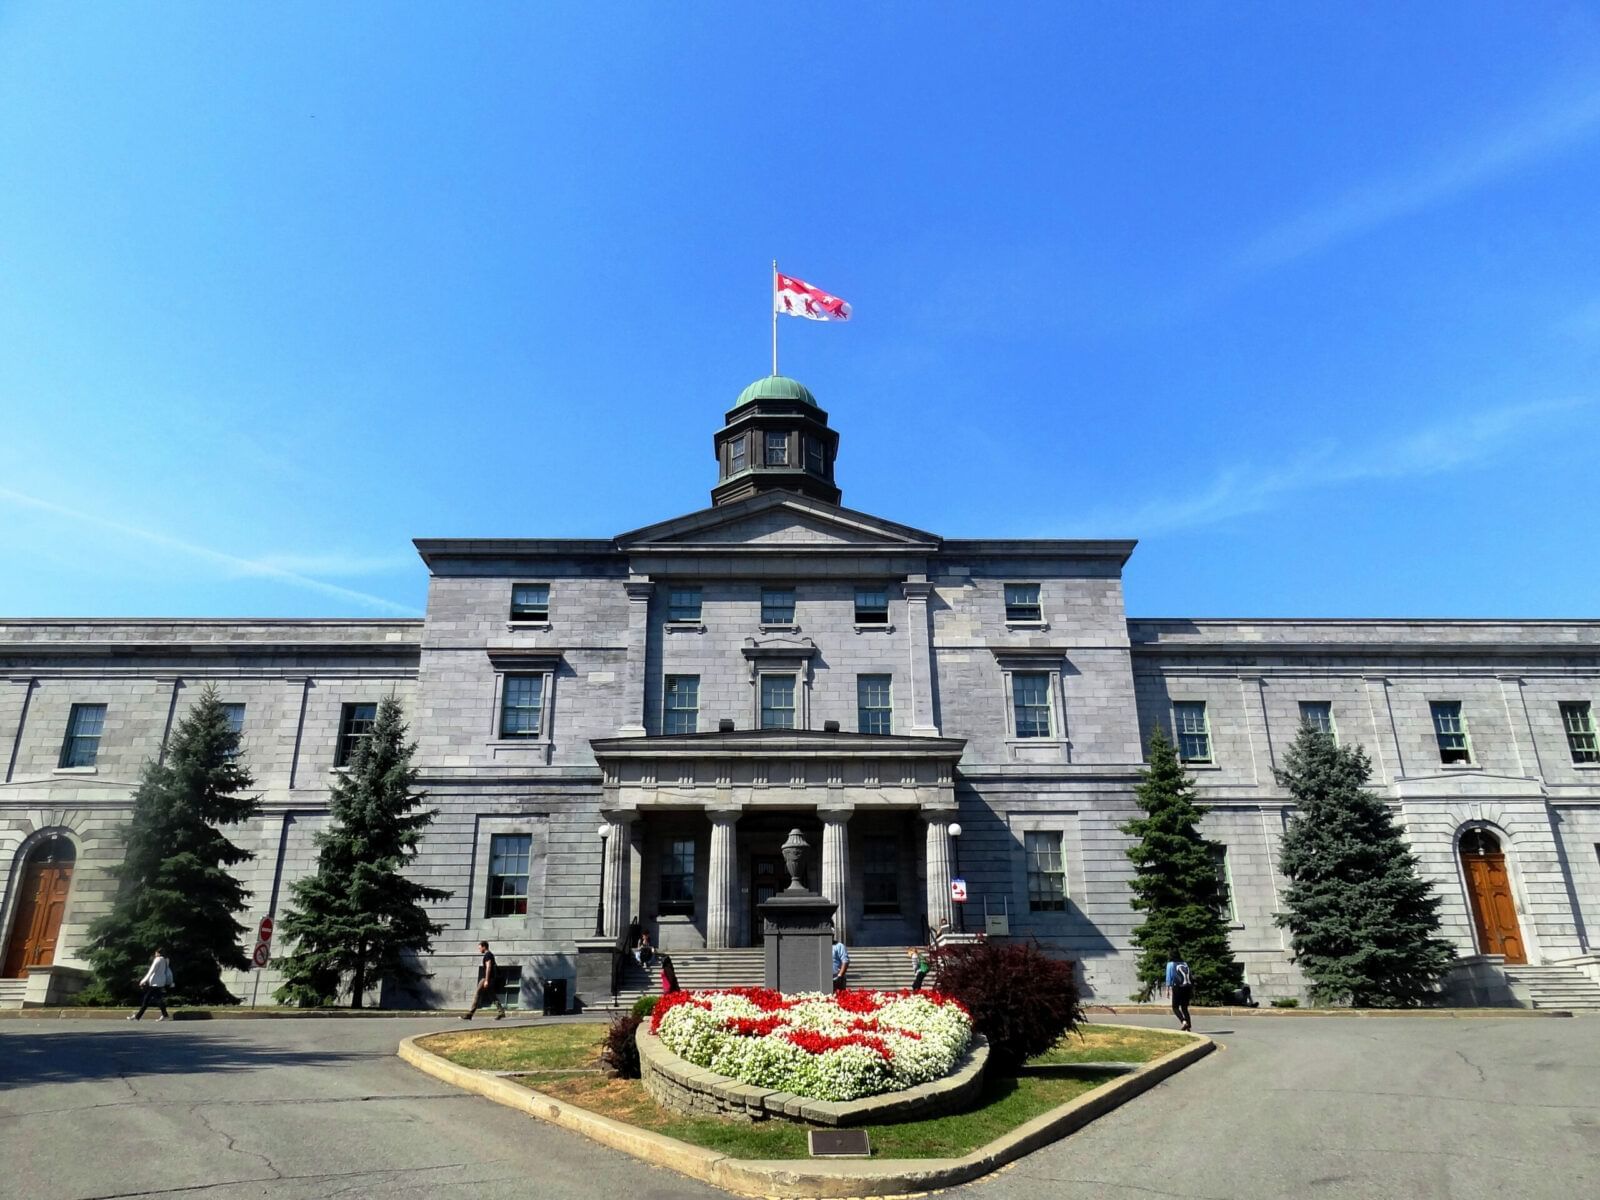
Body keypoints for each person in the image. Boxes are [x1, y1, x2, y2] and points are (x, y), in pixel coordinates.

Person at [461, 940, 506, 1020]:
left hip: (487, 978)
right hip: (490, 978)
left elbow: (488, 967)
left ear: (484, 947)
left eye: (480, 948)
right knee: (492, 995)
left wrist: (486, 980)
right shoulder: (490, 954)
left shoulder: (488, 955)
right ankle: (501, 1012)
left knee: (478, 993)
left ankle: (470, 1014)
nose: (479, 950)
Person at [128, 948, 173, 1021]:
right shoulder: (165, 960)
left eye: (156, 953)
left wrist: (143, 980)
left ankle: (137, 1017)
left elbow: (151, 971)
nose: (155, 954)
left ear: (158, 953)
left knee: (147, 1000)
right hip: (161, 982)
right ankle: (165, 1015)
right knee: (157, 999)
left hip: (154, 983)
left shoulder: (157, 959)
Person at [1165, 952, 1194, 1032]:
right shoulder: (1184, 963)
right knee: (1184, 1007)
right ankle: (1188, 1027)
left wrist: (1167, 990)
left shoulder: (1170, 964)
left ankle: (1184, 1022)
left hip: (1177, 987)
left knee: (1175, 1007)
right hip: (1187, 986)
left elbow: (1168, 977)